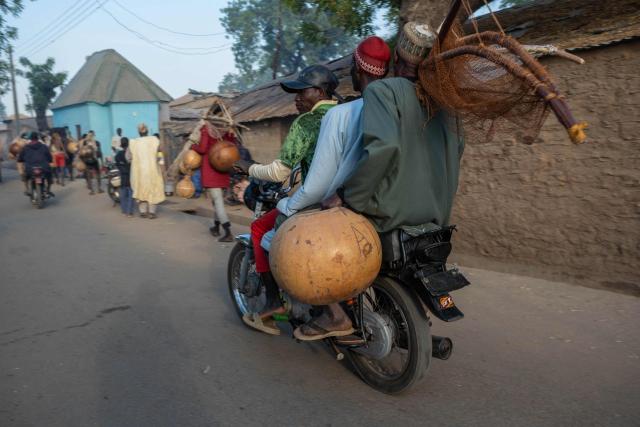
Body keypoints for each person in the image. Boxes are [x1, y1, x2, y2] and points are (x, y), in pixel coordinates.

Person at [294, 22, 465, 341]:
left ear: (398, 57)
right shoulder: (447, 105)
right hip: (435, 218)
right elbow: (457, 152)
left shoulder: (384, 91)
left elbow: (384, 148)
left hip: (389, 213)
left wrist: (346, 195)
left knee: (317, 234)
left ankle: (334, 315)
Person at [235, 64, 339, 333]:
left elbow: (278, 170)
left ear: (318, 91)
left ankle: (272, 302)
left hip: (316, 200)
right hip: (344, 197)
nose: (296, 98)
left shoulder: (307, 122)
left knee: (260, 229)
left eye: (301, 92)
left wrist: (249, 167)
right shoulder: (344, 112)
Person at [190, 127, 238, 241]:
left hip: (211, 172)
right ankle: (216, 227)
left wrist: (192, 146)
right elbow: (232, 146)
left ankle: (228, 232)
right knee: (217, 201)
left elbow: (202, 149)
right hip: (222, 170)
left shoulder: (207, 130)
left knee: (218, 202)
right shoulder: (226, 131)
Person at [127, 123, 165, 218]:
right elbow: (160, 153)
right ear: (147, 131)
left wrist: (134, 161)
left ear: (138, 132)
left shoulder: (133, 142)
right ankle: (152, 212)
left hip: (139, 173)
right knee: (153, 189)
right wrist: (162, 166)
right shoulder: (155, 140)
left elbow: (128, 157)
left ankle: (143, 212)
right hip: (152, 171)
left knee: (140, 190)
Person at [17, 132, 54, 197]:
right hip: (44, 168)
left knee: (24, 175)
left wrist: (21, 164)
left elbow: (20, 159)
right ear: (38, 138)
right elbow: (49, 157)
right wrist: (50, 161)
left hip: (30, 169)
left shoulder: (25, 147)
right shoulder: (44, 146)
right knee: (49, 176)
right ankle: (48, 190)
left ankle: (27, 189)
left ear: (30, 139)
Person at [115, 137, 134, 217]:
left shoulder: (118, 155)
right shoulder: (131, 154)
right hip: (130, 176)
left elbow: (117, 164)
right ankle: (129, 212)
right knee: (130, 195)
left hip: (123, 177)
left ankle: (124, 210)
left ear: (121, 145)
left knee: (123, 194)